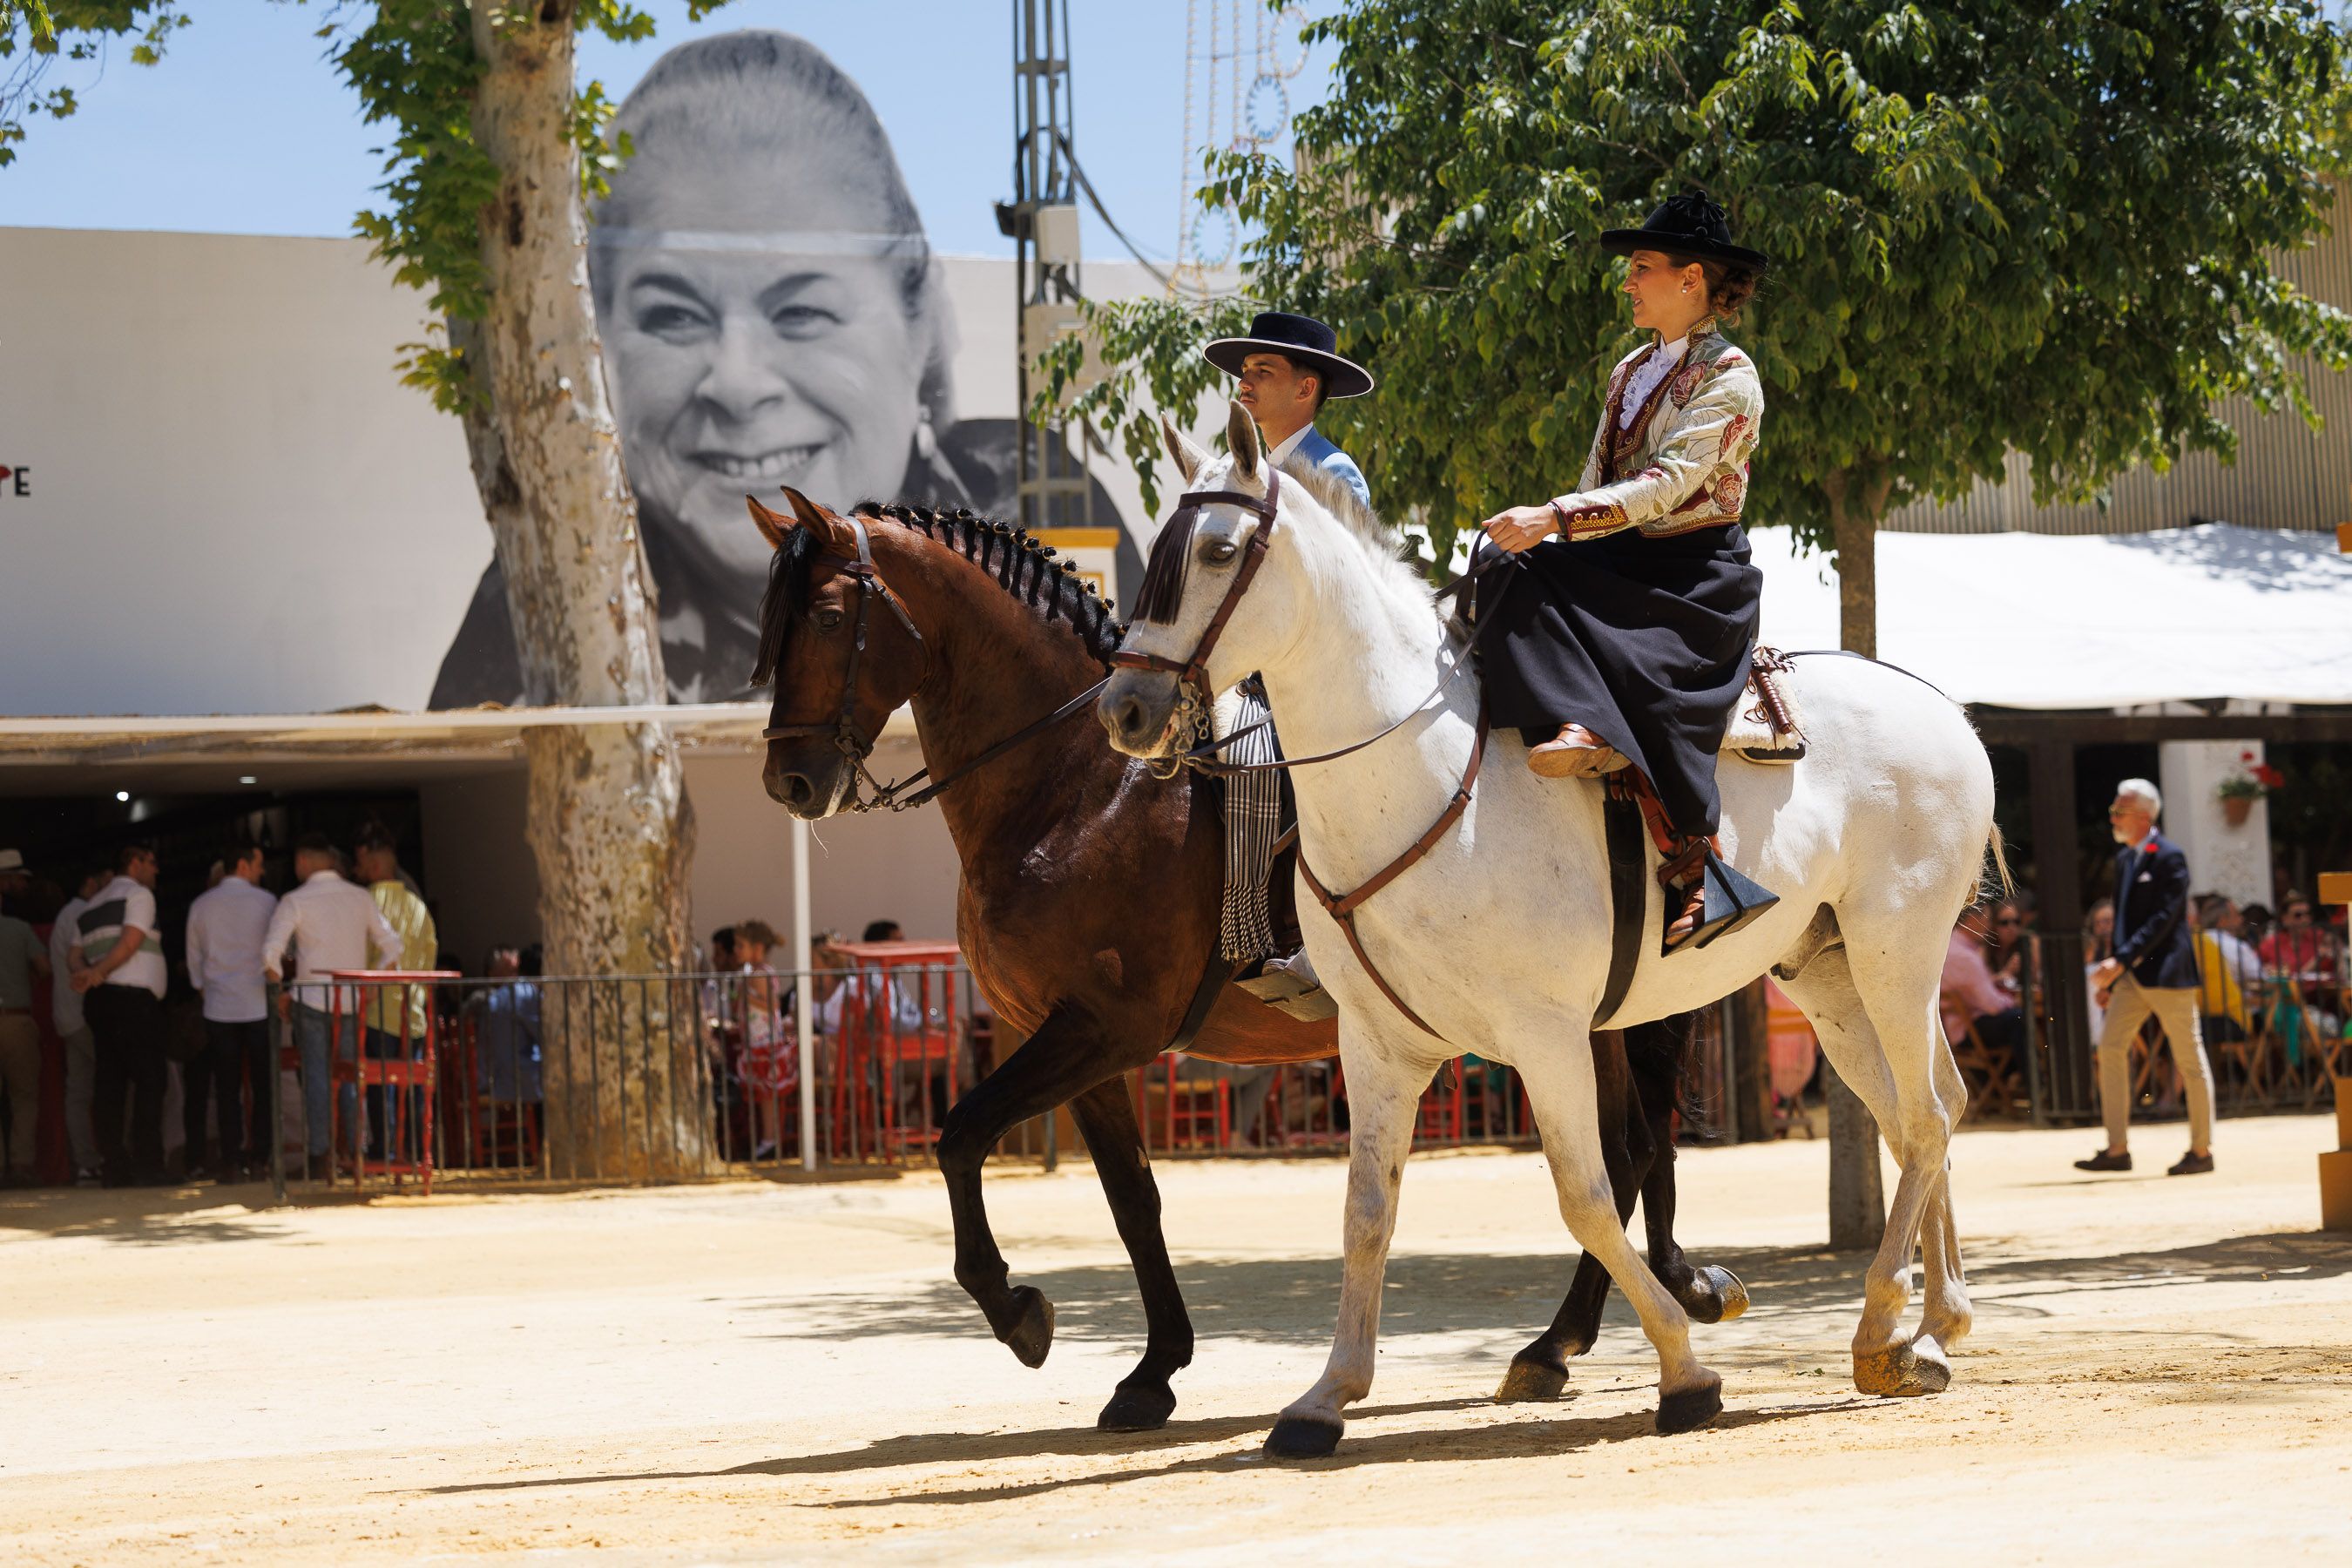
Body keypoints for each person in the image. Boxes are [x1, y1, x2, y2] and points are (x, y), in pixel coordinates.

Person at [430, 29, 1132, 707]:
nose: (736, 385)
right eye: (673, 315)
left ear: (920, 325)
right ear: (601, 340)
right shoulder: (549, 594)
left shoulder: (1031, 518)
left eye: (802, 313)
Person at [1470, 191, 1771, 951]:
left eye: (1641, 267)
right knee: (1493, 564)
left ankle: (1698, 855)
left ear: (1692, 278)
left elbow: (1667, 486)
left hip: (1693, 577)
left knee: (1529, 561)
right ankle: (1576, 724)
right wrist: (1550, 532)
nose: (1627, 282)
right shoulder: (1629, 370)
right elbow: (1596, 473)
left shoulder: (1732, 376)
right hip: (1621, 557)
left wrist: (1554, 519)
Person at [2076, 779, 2216, 1177]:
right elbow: (2122, 923)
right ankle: (2117, 1148)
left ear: (2143, 816)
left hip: (2168, 974)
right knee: (2110, 1049)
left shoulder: (2170, 856)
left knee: (2189, 1058)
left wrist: (2118, 963)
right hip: (2132, 975)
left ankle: (2202, 1151)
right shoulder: (2124, 859)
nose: (2112, 818)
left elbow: (2163, 920)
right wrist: (2116, 972)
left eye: (2118, 812)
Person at [261, 833, 402, 1179]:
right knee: (350, 1076)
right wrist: (371, 986)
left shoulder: (295, 900)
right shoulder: (359, 898)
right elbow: (393, 946)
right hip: (350, 1001)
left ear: (303, 864)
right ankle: (355, 1149)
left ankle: (321, 1155)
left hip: (310, 999)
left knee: (317, 1078)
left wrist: (279, 988)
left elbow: (270, 952)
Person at [71, 841, 171, 1186]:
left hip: (101, 1002)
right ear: (134, 862)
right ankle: (148, 1166)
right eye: (152, 862)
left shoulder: (89, 905)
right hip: (133, 1001)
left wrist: (87, 973)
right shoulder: (139, 896)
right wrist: (98, 973)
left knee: (109, 1086)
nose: (156, 869)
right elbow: (130, 942)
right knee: (150, 1082)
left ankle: (115, 1167)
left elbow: (73, 954)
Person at [1200, 311, 1374, 508]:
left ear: (1305, 388)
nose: (1243, 383)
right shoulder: (1245, 470)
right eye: (1245, 370)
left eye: (1264, 371)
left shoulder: (1333, 473)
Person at [182, 839, 278, 1182]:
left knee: (226, 1088)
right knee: (264, 1087)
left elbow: (194, 958)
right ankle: (262, 1157)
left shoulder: (202, 905)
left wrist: (205, 988)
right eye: (258, 864)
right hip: (258, 1003)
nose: (261, 870)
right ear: (243, 865)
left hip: (220, 1006)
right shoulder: (267, 902)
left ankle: (232, 1159)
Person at [355, 824, 437, 1162]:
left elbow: (360, 955)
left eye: (360, 864)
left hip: (376, 1010)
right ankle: (418, 1152)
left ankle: (383, 1153)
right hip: (413, 1009)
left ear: (374, 867)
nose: (356, 871)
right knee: (414, 1085)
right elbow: (430, 954)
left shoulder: (367, 902)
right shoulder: (418, 907)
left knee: (380, 1087)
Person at [49, 865, 108, 1186]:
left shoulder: (65, 914)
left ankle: (86, 1163)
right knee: (110, 1082)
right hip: (84, 1013)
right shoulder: (85, 913)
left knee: (79, 1090)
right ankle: (110, 1155)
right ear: (89, 882)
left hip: (67, 1014)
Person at [0, 849, 51, 1186]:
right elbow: (44, 968)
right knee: (24, 1096)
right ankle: (21, 1165)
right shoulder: (18, 929)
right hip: (15, 1018)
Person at [731, 919, 793, 1159]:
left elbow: (773, 1005)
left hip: (765, 1042)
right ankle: (767, 1138)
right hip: (755, 1040)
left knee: (767, 1095)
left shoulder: (761, 975)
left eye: (740, 946)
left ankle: (770, 1139)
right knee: (762, 1095)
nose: (736, 951)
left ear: (757, 948)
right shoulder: (752, 973)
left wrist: (748, 998)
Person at [1942, 905, 2024, 1058]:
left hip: (1953, 1029)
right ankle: (2030, 1077)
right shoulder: (1966, 956)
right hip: (1968, 1031)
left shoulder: (1948, 946)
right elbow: (1992, 1006)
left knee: (2018, 1019)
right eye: (1987, 920)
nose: (1988, 926)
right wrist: (2013, 1001)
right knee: (2021, 1018)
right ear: (1973, 920)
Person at [2192, 894, 2263, 1045]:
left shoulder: (2196, 940)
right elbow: (2260, 977)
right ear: (2222, 920)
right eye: (2236, 915)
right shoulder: (2236, 946)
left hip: (2200, 1014)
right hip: (2233, 1015)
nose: (2242, 919)